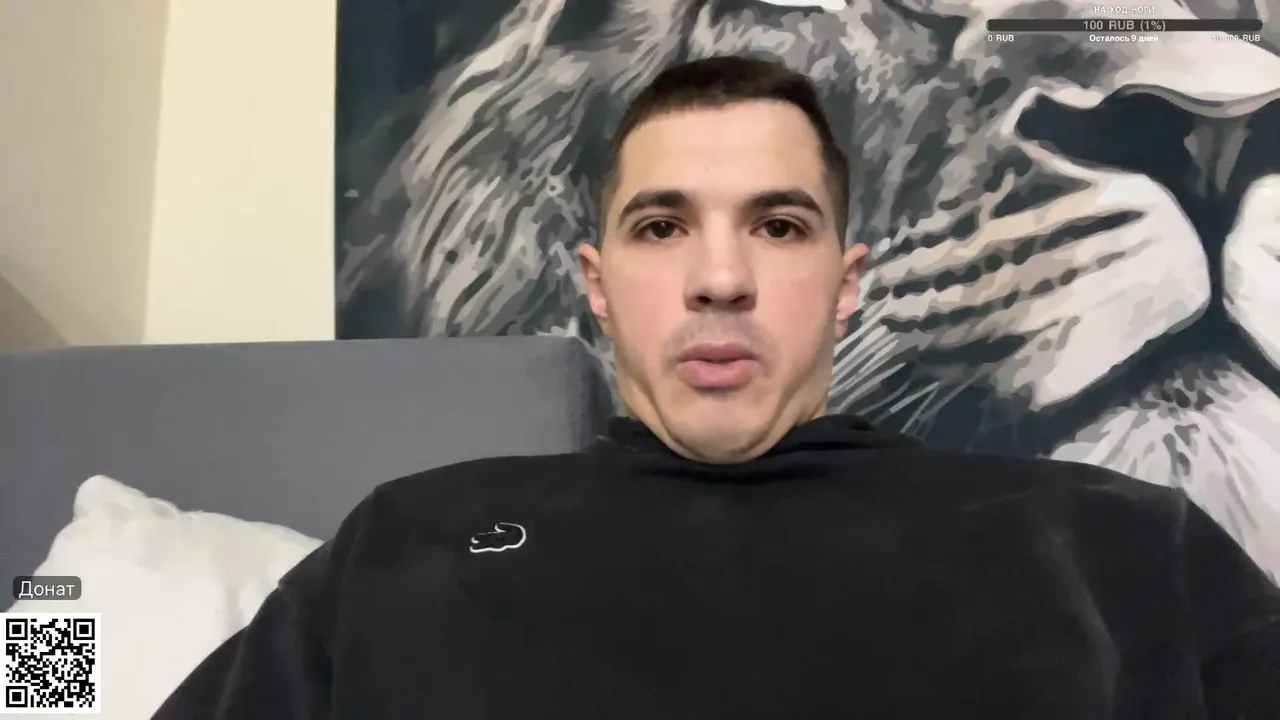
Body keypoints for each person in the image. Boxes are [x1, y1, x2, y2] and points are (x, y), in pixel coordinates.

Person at [155, 56, 1279, 719]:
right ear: (597, 284)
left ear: (846, 285)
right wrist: (58, 625)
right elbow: (83, 680)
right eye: (662, 227)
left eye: (778, 226)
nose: (722, 278)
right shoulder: (410, 538)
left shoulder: (1122, 545)